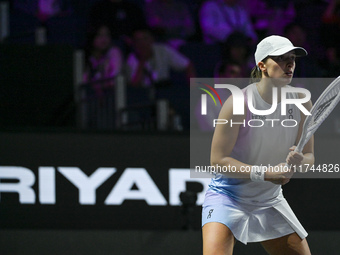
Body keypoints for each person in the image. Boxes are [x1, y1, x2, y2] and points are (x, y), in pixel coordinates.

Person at [202, 35, 314, 254]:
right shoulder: (238, 103)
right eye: (281, 58)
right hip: (228, 197)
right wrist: (265, 174)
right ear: (262, 65)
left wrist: (299, 161)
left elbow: (309, 158)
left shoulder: (301, 100)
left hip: (269, 199)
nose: (289, 63)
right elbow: (217, 160)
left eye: (292, 58)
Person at [83, 24, 123, 96]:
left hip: (112, 99)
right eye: (100, 35)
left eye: (107, 35)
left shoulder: (114, 53)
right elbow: (84, 83)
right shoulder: (86, 58)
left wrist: (98, 86)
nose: (104, 39)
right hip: (91, 100)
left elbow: (114, 81)